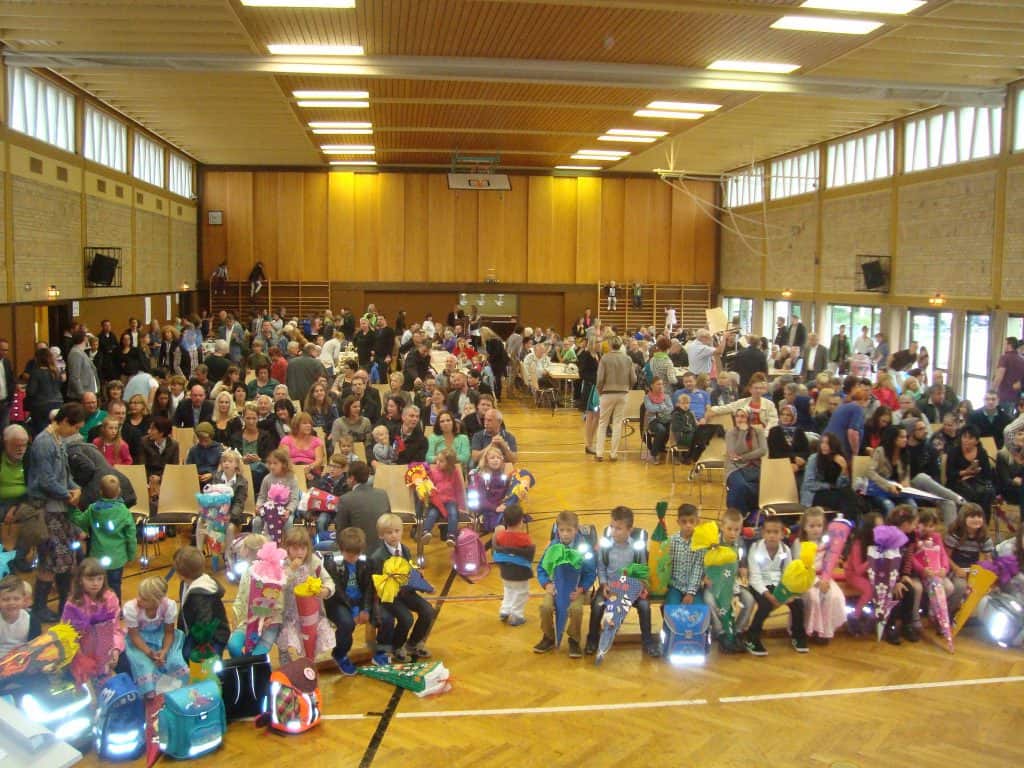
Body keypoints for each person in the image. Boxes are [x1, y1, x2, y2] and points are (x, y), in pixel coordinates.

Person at [27, 402, 85, 622]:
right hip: (47, 510)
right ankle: (39, 608)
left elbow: (63, 473)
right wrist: (67, 494)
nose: (76, 432)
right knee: (51, 560)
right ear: (63, 421)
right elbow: (46, 479)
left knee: (65, 559)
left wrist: (75, 488)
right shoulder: (44, 443)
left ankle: (64, 604)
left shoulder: (59, 440)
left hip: (60, 508)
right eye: (75, 427)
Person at [584, 506, 659, 658]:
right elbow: (601, 567)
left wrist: (640, 586)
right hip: (610, 587)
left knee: (644, 606)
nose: (613, 531)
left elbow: (641, 569)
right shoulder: (606, 546)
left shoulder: (637, 548)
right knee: (597, 605)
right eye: (611, 527)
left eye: (618, 528)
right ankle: (592, 638)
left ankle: (648, 640)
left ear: (629, 530)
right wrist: (604, 584)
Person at [369, 513, 435, 664]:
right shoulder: (378, 557)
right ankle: (396, 647)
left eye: (397, 531)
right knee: (406, 618)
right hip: (390, 597)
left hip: (407, 592)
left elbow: (410, 570)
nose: (394, 535)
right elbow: (377, 584)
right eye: (389, 532)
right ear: (381, 535)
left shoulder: (404, 549)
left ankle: (413, 643)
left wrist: (422, 581)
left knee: (428, 611)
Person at [533, 510, 596, 658]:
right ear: (557, 530)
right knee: (545, 607)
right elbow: (541, 568)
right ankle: (548, 637)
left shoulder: (584, 548)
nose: (565, 534)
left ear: (576, 529)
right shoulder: (552, 547)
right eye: (562, 530)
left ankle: (574, 639)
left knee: (576, 610)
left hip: (576, 589)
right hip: (556, 587)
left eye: (569, 530)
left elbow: (591, 572)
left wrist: (581, 589)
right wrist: (547, 584)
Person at [744, 517, 808, 656]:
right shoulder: (755, 549)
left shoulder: (785, 549)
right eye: (768, 532)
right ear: (762, 533)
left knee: (798, 603)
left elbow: (788, 574)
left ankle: (798, 636)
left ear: (782, 534)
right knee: (766, 605)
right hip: (760, 585)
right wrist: (769, 595)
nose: (772, 535)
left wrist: (787, 593)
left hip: (779, 584)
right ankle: (752, 637)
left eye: (776, 532)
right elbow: (755, 577)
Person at [68, 474, 136, 601]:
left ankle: (97, 609)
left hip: (97, 557)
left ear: (100, 492)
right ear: (119, 491)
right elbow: (131, 535)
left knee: (97, 585)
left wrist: (73, 508)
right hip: (117, 558)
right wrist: (131, 554)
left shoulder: (93, 509)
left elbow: (80, 521)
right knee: (115, 585)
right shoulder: (124, 512)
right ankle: (115, 609)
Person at [61, 558, 126, 685]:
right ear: (80, 580)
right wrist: (80, 658)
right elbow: (67, 635)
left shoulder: (110, 598)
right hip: (83, 652)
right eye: (90, 579)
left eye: (99, 579)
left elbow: (116, 629)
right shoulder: (72, 604)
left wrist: (116, 649)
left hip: (106, 650)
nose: (95, 583)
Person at [123, 576, 190, 698]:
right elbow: (134, 635)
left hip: (162, 636)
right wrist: (149, 653)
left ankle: (175, 691)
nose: (139, 599)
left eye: (144, 598)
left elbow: (169, 632)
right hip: (140, 640)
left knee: (174, 660)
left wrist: (164, 651)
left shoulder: (168, 606)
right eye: (139, 595)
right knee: (143, 664)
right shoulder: (131, 608)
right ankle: (151, 694)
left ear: (156, 601)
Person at [278, 527, 336, 665]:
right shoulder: (282, 564)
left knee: (311, 640)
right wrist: (291, 569)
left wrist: (326, 590)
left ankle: (309, 661)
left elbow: (328, 580)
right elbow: (279, 585)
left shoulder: (314, 561)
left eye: (303, 549)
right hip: (290, 614)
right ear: (287, 548)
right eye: (295, 549)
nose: (299, 553)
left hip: (311, 613)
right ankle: (284, 655)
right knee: (289, 639)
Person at [322, 527, 373, 675]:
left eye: (357, 554)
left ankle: (380, 651)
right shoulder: (332, 564)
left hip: (359, 601)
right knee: (347, 623)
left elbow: (369, 587)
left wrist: (365, 608)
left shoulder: (364, 561)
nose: (353, 558)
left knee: (384, 615)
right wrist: (354, 610)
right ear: (341, 549)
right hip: (338, 602)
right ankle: (340, 654)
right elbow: (337, 592)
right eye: (349, 555)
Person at [792, 507, 846, 643]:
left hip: (824, 578)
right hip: (805, 578)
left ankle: (825, 631)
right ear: (804, 527)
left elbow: (829, 562)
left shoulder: (825, 543)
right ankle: (810, 629)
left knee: (832, 596)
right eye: (812, 526)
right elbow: (800, 567)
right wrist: (816, 582)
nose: (816, 529)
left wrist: (826, 578)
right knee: (813, 598)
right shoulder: (799, 544)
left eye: (819, 526)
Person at [174, 545, 229, 661]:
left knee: (198, 658)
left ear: (181, 574)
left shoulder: (200, 595)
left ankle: (217, 676)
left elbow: (205, 624)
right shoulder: (185, 584)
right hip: (197, 633)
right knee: (184, 654)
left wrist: (202, 649)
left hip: (214, 636)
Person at [943, 503, 993, 613]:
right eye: (972, 516)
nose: (976, 520)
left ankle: (965, 614)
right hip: (955, 568)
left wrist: (985, 576)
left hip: (973, 570)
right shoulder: (954, 534)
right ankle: (947, 614)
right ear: (963, 518)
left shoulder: (984, 537)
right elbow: (945, 556)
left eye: (979, 517)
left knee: (984, 588)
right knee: (960, 586)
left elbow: (988, 560)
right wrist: (956, 569)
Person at [800, 432, 862, 520]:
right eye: (822, 443)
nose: (824, 446)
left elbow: (842, 485)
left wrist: (844, 468)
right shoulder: (814, 459)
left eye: (827, 443)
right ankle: (849, 525)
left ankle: (847, 524)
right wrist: (829, 486)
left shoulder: (838, 459)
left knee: (848, 494)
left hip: (833, 493)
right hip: (814, 494)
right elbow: (808, 484)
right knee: (845, 498)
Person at [592, 336, 635, 462]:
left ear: (610, 345)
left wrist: (599, 391)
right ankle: (613, 454)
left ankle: (599, 453)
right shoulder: (627, 359)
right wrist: (628, 388)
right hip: (622, 393)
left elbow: (600, 379)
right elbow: (633, 378)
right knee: (617, 423)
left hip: (607, 393)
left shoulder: (605, 358)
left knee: (603, 423)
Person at [492, 505, 535, 627]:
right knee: (522, 592)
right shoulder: (525, 538)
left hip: (505, 571)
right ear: (521, 521)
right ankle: (517, 615)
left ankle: (505, 610)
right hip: (520, 572)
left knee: (509, 590)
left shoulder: (500, 536)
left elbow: (496, 547)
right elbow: (529, 553)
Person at [335, 461, 390, 552]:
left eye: (347, 476)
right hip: (383, 550)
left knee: (321, 546)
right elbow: (389, 522)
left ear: (352, 478)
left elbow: (341, 533)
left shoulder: (345, 499)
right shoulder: (382, 494)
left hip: (357, 552)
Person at [724, 409, 767, 523]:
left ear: (749, 418)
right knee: (740, 486)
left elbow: (763, 450)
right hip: (735, 467)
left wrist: (743, 457)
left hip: (756, 467)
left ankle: (749, 514)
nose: (739, 419)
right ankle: (740, 516)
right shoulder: (731, 433)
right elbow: (733, 453)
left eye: (743, 416)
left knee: (765, 485)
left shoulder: (758, 431)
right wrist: (743, 433)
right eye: (737, 416)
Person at [946, 424, 996, 521]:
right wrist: (965, 472)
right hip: (957, 482)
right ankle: (965, 522)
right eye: (964, 437)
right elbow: (950, 474)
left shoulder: (981, 452)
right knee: (968, 492)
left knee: (987, 492)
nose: (966, 440)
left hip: (977, 482)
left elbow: (987, 474)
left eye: (970, 438)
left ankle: (983, 522)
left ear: (976, 441)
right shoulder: (954, 452)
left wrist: (976, 472)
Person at [865, 424, 916, 514]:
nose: (905, 440)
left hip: (898, 491)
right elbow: (870, 472)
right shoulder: (880, 451)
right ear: (893, 438)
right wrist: (888, 486)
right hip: (881, 489)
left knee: (912, 505)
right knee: (889, 506)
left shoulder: (905, 454)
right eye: (902, 437)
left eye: (906, 437)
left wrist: (906, 481)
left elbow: (907, 474)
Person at [253, 448, 302, 535]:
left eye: (275, 463)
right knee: (257, 521)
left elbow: (294, 499)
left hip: (285, 511)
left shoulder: (292, 479)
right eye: (270, 463)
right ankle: (256, 545)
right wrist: (258, 506)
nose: (272, 466)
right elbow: (262, 496)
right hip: (269, 510)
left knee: (289, 522)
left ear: (284, 464)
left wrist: (288, 511)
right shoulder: (267, 478)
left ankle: (288, 546)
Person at [665, 503, 703, 605]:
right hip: (675, 587)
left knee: (699, 613)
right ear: (678, 522)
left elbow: (698, 568)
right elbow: (666, 566)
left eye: (691, 521)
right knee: (672, 611)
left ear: (697, 522)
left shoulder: (700, 543)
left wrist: (690, 593)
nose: (688, 525)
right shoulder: (671, 541)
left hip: (694, 588)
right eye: (684, 522)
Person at [25, 347, 63, 437]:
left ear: (37, 359)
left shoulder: (36, 373)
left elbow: (31, 392)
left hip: (41, 407)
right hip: (58, 404)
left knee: (41, 433)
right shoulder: (56, 372)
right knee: (55, 433)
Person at [824, 383, 868, 458]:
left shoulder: (843, 406)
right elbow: (852, 432)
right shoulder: (857, 408)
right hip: (840, 447)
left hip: (827, 443)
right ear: (864, 400)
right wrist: (855, 453)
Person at [767, 404, 810, 477]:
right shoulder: (774, 431)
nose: (785, 417)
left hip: (797, 467)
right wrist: (793, 458)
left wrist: (798, 461)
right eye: (782, 414)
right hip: (778, 466)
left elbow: (806, 451)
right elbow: (775, 453)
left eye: (788, 415)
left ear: (793, 417)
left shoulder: (799, 431)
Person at [280, 412, 325, 480]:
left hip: (311, 471)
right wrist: (299, 471)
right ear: (296, 425)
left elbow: (319, 460)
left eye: (310, 423)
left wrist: (309, 468)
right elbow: (284, 459)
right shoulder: (286, 440)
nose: (308, 425)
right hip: (292, 471)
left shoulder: (317, 441)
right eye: (304, 423)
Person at [643, 378, 673, 464]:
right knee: (661, 430)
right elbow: (650, 408)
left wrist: (657, 409)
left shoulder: (666, 396)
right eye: (658, 384)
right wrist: (662, 407)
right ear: (652, 386)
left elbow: (670, 408)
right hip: (653, 420)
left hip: (666, 419)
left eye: (662, 384)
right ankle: (654, 454)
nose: (661, 386)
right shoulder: (647, 397)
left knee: (672, 427)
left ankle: (664, 448)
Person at [186, 422, 223, 486]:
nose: (203, 444)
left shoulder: (219, 449)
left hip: (214, 479)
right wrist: (195, 475)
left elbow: (222, 468)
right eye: (201, 441)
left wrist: (212, 474)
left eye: (206, 441)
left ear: (211, 438)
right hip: (196, 480)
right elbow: (189, 467)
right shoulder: (193, 450)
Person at [66, 329, 99, 401]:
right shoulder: (76, 353)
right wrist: (82, 394)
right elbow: (75, 377)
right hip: (83, 396)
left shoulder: (81, 352)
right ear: (84, 338)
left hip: (89, 392)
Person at [994, 338, 1024, 414]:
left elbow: (999, 376)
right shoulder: (1022, 360)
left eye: (1005, 344)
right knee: (1010, 418)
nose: (1004, 346)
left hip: (1004, 395)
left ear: (1009, 345)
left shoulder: (1005, 358)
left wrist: (992, 390)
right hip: (1016, 397)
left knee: (1001, 419)